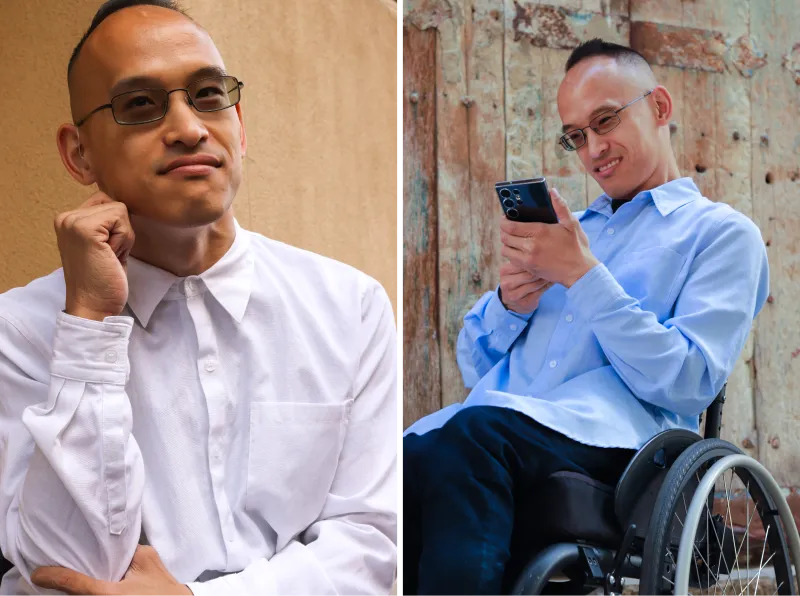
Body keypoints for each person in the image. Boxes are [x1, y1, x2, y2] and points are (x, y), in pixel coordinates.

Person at [0, 1, 399, 594]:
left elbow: (371, 544)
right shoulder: (22, 330)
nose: (189, 128)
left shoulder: (350, 307)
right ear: (78, 153)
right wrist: (89, 326)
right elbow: (64, 566)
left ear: (240, 124)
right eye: (139, 104)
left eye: (209, 95)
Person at [400, 38, 769, 596]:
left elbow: (690, 380)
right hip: (511, 425)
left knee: (471, 439)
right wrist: (511, 302)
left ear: (660, 108)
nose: (593, 149)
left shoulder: (720, 234)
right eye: (576, 136)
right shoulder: (569, 232)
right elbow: (474, 363)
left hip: (621, 446)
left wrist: (583, 276)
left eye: (605, 121)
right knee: (401, 458)